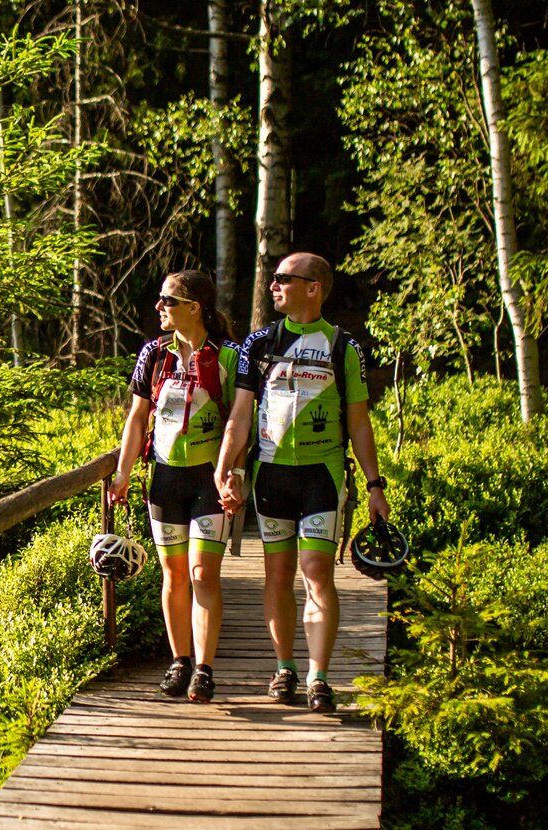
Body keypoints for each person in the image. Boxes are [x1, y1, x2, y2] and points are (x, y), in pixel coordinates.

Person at [214, 252, 391, 714]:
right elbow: (240, 413)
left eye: (282, 280)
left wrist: (375, 485)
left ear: (313, 287)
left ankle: (317, 676)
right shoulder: (259, 342)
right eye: (272, 279)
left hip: (322, 475)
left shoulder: (342, 347)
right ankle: (284, 666)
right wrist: (226, 464)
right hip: (271, 472)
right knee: (277, 574)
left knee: (316, 571)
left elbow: (359, 421)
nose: (272, 286)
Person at [107, 269, 240, 703]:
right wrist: (124, 471)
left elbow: (241, 423)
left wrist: (235, 473)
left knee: (203, 573)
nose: (159, 307)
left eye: (167, 300)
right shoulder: (153, 354)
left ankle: (203, 668)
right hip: (164, 476)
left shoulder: (228, 356)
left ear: (193, 307)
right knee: (174, 574)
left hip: (209, 478)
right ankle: (178, 660)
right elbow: (136, 418)